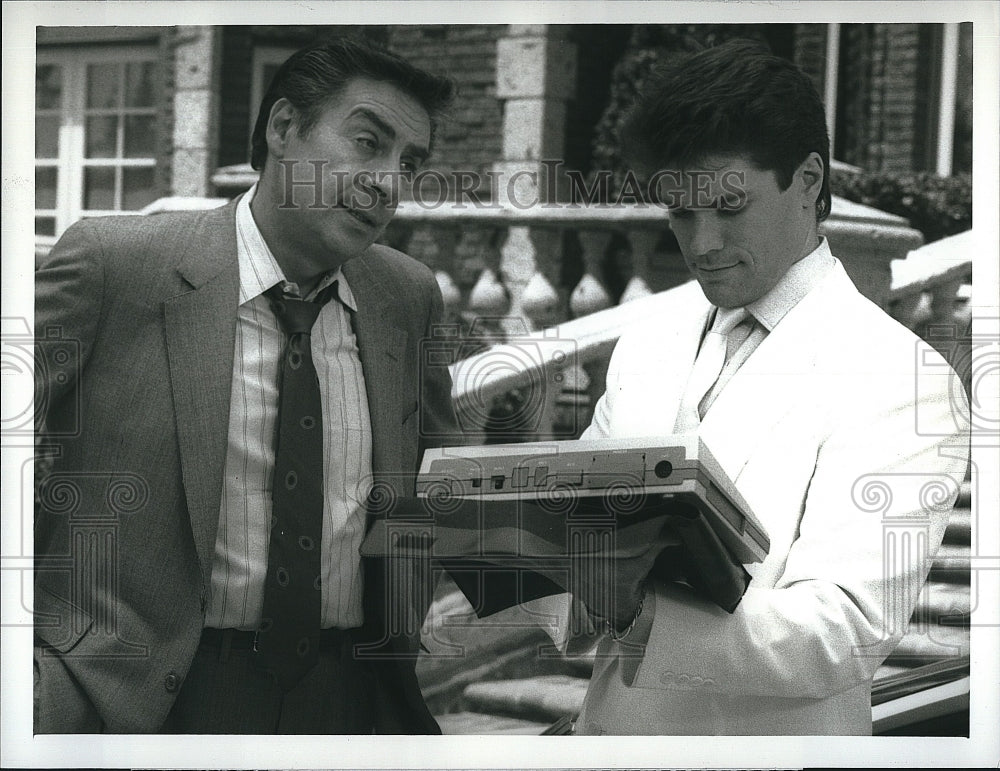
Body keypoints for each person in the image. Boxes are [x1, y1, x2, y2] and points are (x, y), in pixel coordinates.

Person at [33, 37, 461, 734]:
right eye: (367, 142)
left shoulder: (406, 298)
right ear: (284, 128)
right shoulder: (116, 266)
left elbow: (444, 495)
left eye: (409, 163)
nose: (388, 181)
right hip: (133, 702)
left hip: (348, 702)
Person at [565, 40, 970, 735]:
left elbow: (845, 629)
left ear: (808, 180)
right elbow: (572, 525)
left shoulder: (905, 374)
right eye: (680, 213)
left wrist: (642, 612)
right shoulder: (648, 342)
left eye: (728, 205)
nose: (702, 244)